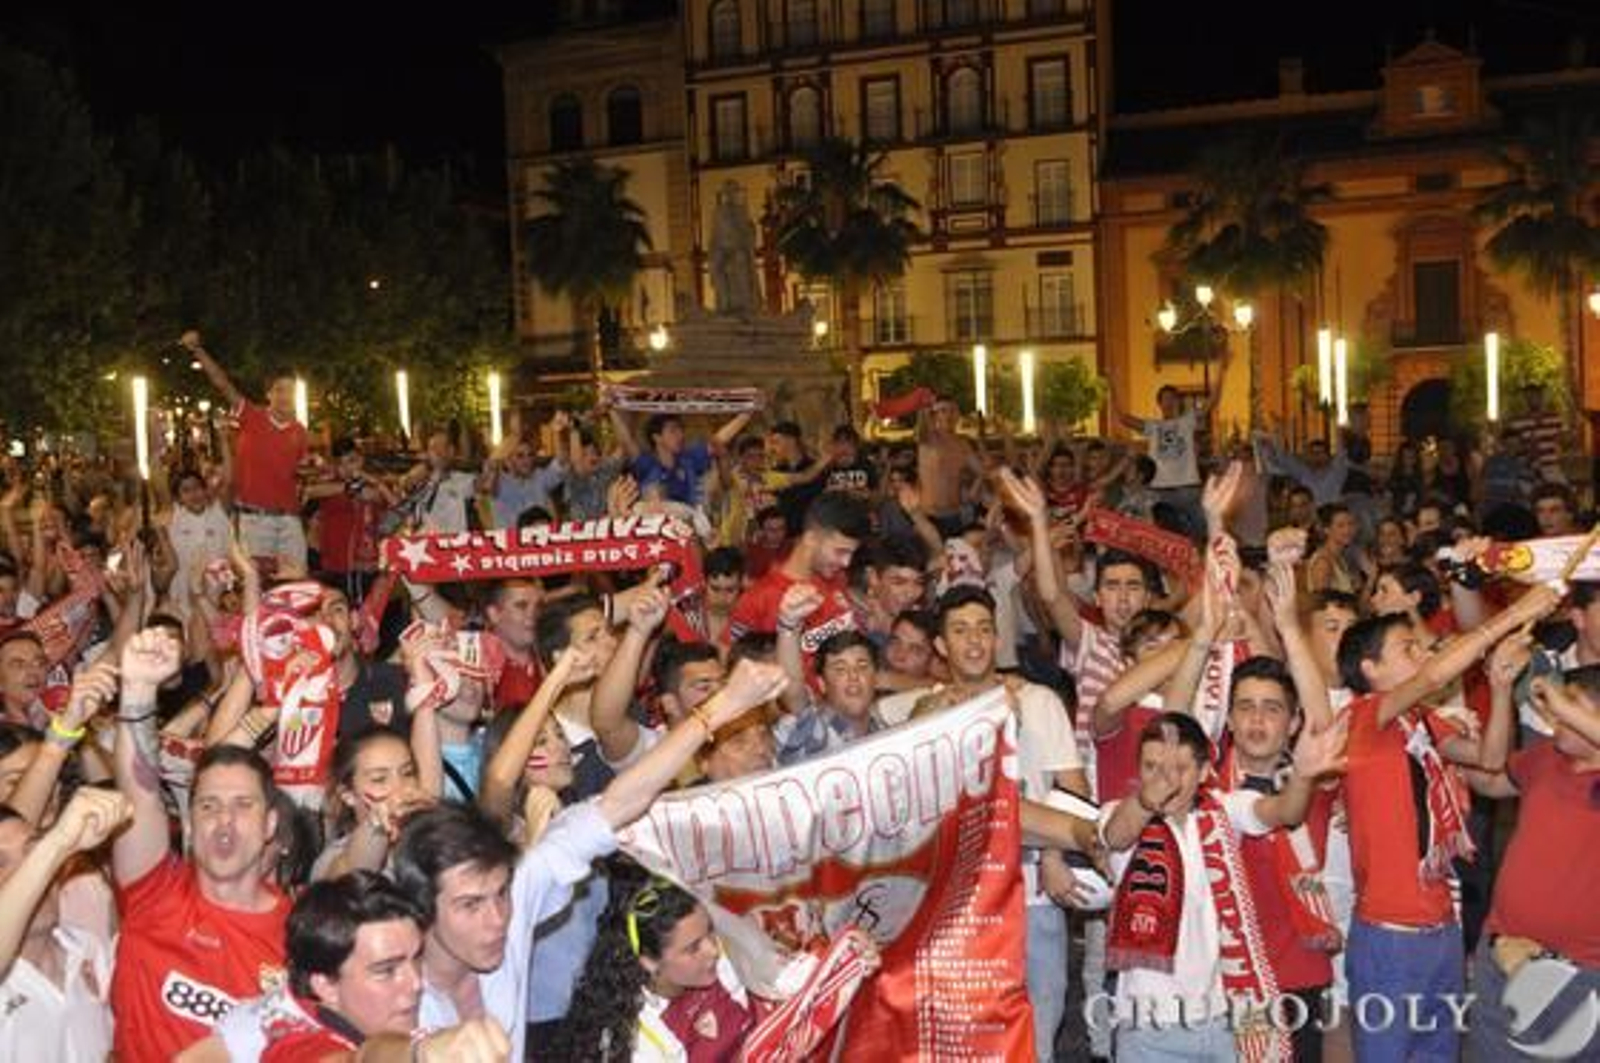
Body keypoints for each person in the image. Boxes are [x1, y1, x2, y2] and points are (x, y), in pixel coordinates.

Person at [389, 659, 787, 1062]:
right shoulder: (388, 984)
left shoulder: (515, 898)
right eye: (469, 905)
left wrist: (726, 703)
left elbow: (622, 800)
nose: (498, 920)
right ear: (421, 908)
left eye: (501, 896)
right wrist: (419, 1054)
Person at [1336, 583, 1561, 1062]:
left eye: (1420, 647)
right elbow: (1438, 671)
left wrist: (1499, 689)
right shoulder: (1364, 718)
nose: (1422, 655)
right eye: (1407, 648)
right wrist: (1516, 612)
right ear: (1369, 670)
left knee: (1439, 1054)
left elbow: (1490, 757)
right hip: (1389, 935)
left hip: (1441, 923)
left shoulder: (1423, 723)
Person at [1099, 712, 1346, 1059]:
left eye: (1179, 770)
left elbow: (1285, 813)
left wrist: (1303, 775)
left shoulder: (1222, 813)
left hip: (1221, 1019)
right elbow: (1116, 836)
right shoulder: (1120, 812)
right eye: (1151, 768)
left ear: (1203, 773)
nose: (1164, 781)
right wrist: (1143, 801)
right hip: (1146, 1025)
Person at [110, 628, 294, 1062]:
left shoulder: (298, 933)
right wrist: (138, 691)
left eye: (242, 805)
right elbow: (140, 791)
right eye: (208, 805)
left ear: (270, 824)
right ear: (190, 821)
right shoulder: (154, 893)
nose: (224, 819)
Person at [1465, 667, 1600, 1061]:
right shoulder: (1545, 757)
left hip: (1581, 974)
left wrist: (1557, 700)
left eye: (1573, 706)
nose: (1557, 715)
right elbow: (1490, 782)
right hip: (1503, 955)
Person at [259, 870, 513, 1062]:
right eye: (386, 971)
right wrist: (420, 1054)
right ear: (326, 985)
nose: (415, 983)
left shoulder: (381, 1022)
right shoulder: (295, 1045)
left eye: (416, 958)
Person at [555, 873, 752, 1061]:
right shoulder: (639, 1040)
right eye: (693, 948)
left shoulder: (724, 957)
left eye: (710, 931)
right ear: (649, 961)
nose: (713, 950)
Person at [0, 787, 130, 1062]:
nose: (29, 871)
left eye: (33, 853)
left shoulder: (88, 947)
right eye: (0, 863)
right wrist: (58, 841)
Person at [182, 330, 309, 573]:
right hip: (255, 519)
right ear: (268, 394)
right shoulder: (251, 416)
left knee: (296, 585)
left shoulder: (300, 432)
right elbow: (222, 383)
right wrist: (197, 350)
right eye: (279, 390)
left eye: (290, 390)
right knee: (257, 585)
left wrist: (310, 471)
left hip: (290, 520)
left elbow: (299, 474)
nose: (285, 396)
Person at [726, 491, 870, 670]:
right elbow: (728, 659)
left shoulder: (837, 577)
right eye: (840, 551)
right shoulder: (757, 599)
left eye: (851, 554)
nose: (846, 562)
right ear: (810, 539)